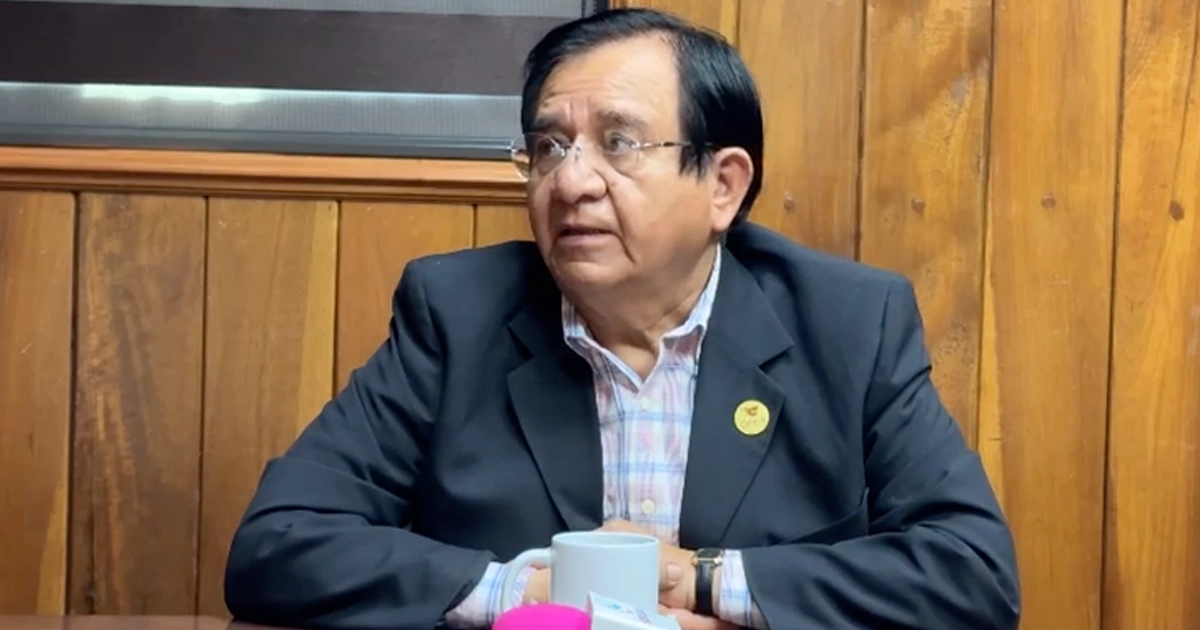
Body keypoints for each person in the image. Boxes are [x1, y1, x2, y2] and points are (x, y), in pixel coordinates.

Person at [223, 8, 1020, 630]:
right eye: (548, 147)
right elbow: (278, 543)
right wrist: (523, 593)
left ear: (723, 186)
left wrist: (700, 579)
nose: (572, 182)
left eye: (619, 143)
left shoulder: (848, 324)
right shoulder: (457, 314)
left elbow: (971, 572)